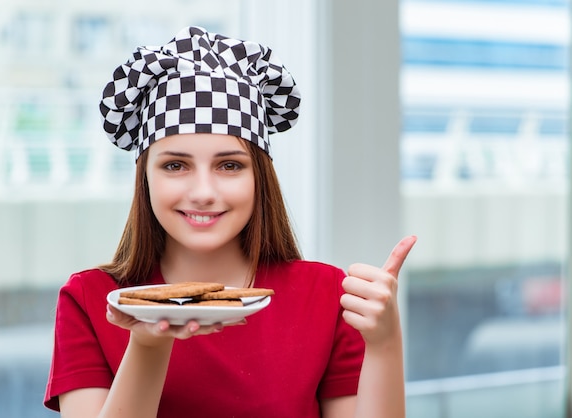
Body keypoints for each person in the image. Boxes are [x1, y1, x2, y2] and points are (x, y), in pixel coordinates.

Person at [44, 26, 416, 418]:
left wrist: (385, 342)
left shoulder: (326, 296)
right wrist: (148, 344)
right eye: (175, 165)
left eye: (229, 165)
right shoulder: (90, 299)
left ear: (259, 178)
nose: (203, 191)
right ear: (145, 178)